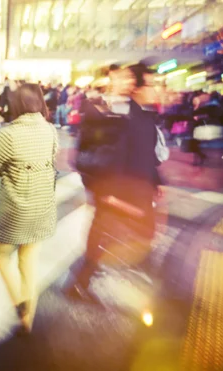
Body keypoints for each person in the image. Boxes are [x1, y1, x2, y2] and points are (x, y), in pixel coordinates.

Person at [66, 63, 160, 303]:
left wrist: (157, 181)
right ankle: (81, 281)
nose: (127, 82)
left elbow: (144, 153)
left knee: (111, 232)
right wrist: (106, 191)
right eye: (149, 84)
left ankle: (84, 279)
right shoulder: (110, 111)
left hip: (131, 188)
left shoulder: (139, 114)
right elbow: (101, 151)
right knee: (103, 232)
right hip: (113, 187)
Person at [0, 83, 58, 333]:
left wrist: (10, 168)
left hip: (16, 209)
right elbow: (53, 157)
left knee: (0, 253)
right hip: (42, 206)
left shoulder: (8, 134)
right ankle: (28, 320)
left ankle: (19, 301)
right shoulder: (50, 130)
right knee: (29, 261)